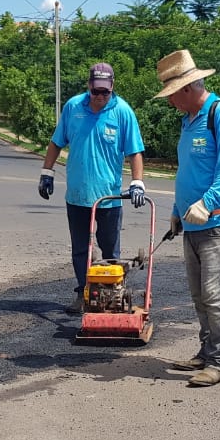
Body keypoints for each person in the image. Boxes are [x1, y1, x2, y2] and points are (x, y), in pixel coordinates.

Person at [153, 50, 220, 387]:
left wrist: (207, 203)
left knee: (216, 295)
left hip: (219, 221)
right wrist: (178, 212)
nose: (170, 103)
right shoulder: (188, 120)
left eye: (171, 96)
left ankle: (219, 363)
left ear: (186, 89)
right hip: (192, 222)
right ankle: (206, 353)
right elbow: (188, 171)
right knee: (197, 295)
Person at [38, 62, 146, 314]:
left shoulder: (123, 112)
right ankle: (83, 292)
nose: (99, 97)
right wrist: (47, 173)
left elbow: (135, 151)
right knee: (80, 249)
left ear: (112, 88)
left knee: (109, 249)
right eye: (95, 91)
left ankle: (112, 294)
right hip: (77, 194)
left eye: (104, 92)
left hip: (109, 197)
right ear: (88, 86)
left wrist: (137, 182)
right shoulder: (73, 107)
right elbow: (56, 142)